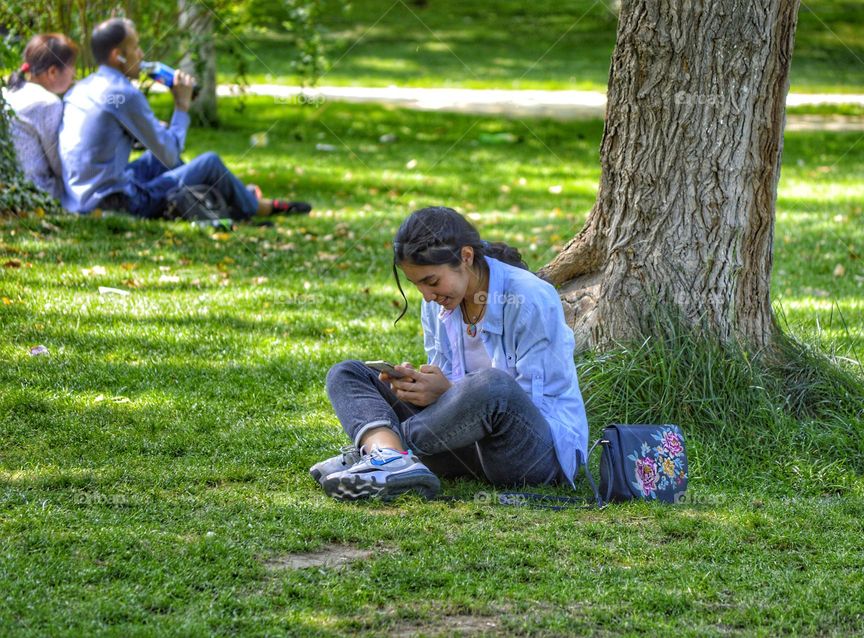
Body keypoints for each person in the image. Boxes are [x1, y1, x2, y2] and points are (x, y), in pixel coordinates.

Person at [311, 206, 589, 501]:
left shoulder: (530, 298)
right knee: (347, 372)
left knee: (492, 385)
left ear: (466, 257)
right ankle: (389, 456)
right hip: (465, 448)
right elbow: (447, 395)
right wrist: (418, 386)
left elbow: (529, 403)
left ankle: (382, 451)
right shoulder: (438, 302)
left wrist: (448, 391)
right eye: (417, 285)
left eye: (431, 281)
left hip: (532, 454)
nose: (427, 295)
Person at [59, 18, 310, 219]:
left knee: (153, 161)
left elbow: (104, 139)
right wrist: (181, 105)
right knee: (209, 163)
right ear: (118, 55)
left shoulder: (82, 87)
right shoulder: (124, 94)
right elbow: (169, 153)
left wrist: (151, 132)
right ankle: (253, 206)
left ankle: (222, 200)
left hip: (78, 196)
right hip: (115, 203)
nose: (142, 53)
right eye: (135, 46)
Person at [2, 33, 78, 201]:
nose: (74, 73)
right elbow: (61, 166)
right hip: (35, 195)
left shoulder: (6, 94)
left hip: (7, 190)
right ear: (52, 72)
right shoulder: (47, 104)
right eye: (72, 66)